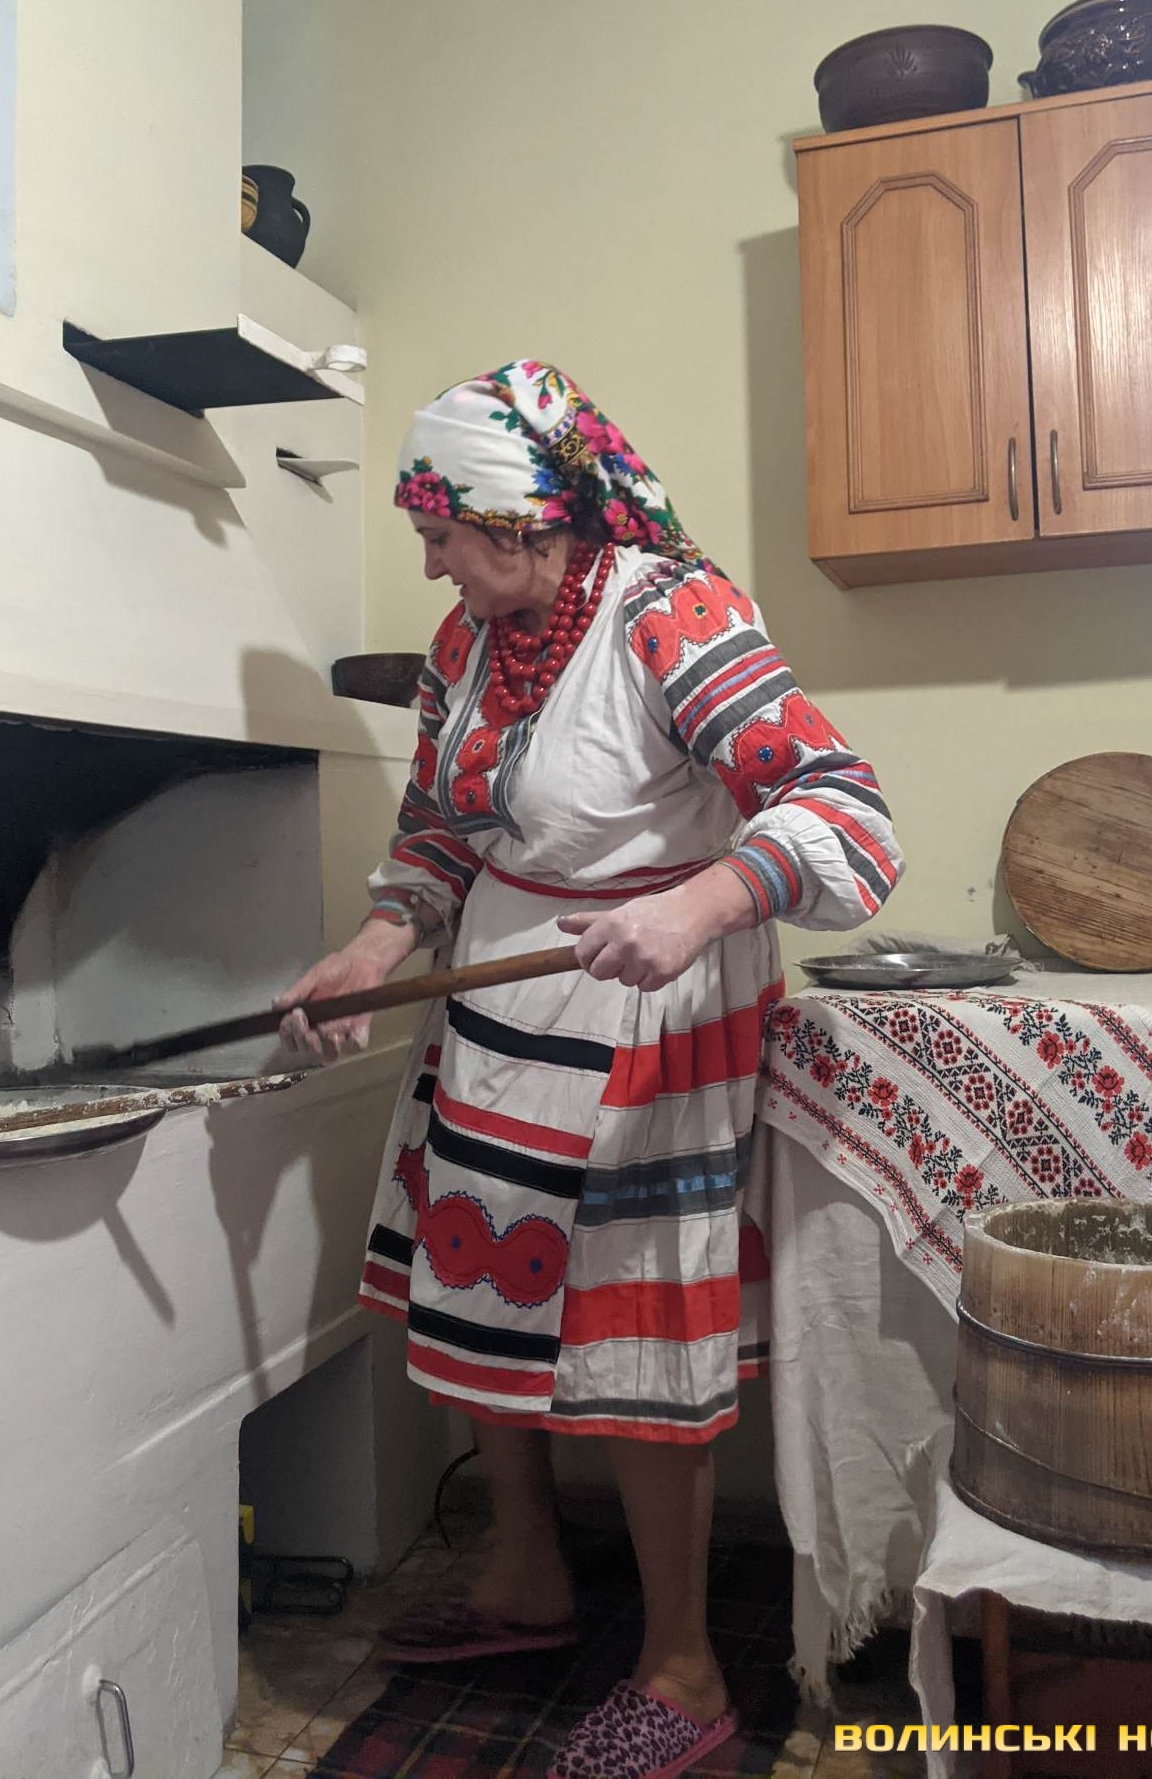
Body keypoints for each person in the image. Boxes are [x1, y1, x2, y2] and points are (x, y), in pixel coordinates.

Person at [278, 361, 901, 1779]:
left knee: (632, 1335)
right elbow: (443, 831)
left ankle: (683, 1670)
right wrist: (374, 947)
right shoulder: (466, 644)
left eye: (440, 530)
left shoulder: (674, 612)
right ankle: (525, 1574)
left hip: (647, 1012)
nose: (429, 561)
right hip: (495, 1008)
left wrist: (700, 904)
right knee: (480, 1279)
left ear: (520, 516)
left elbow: (845, 813)